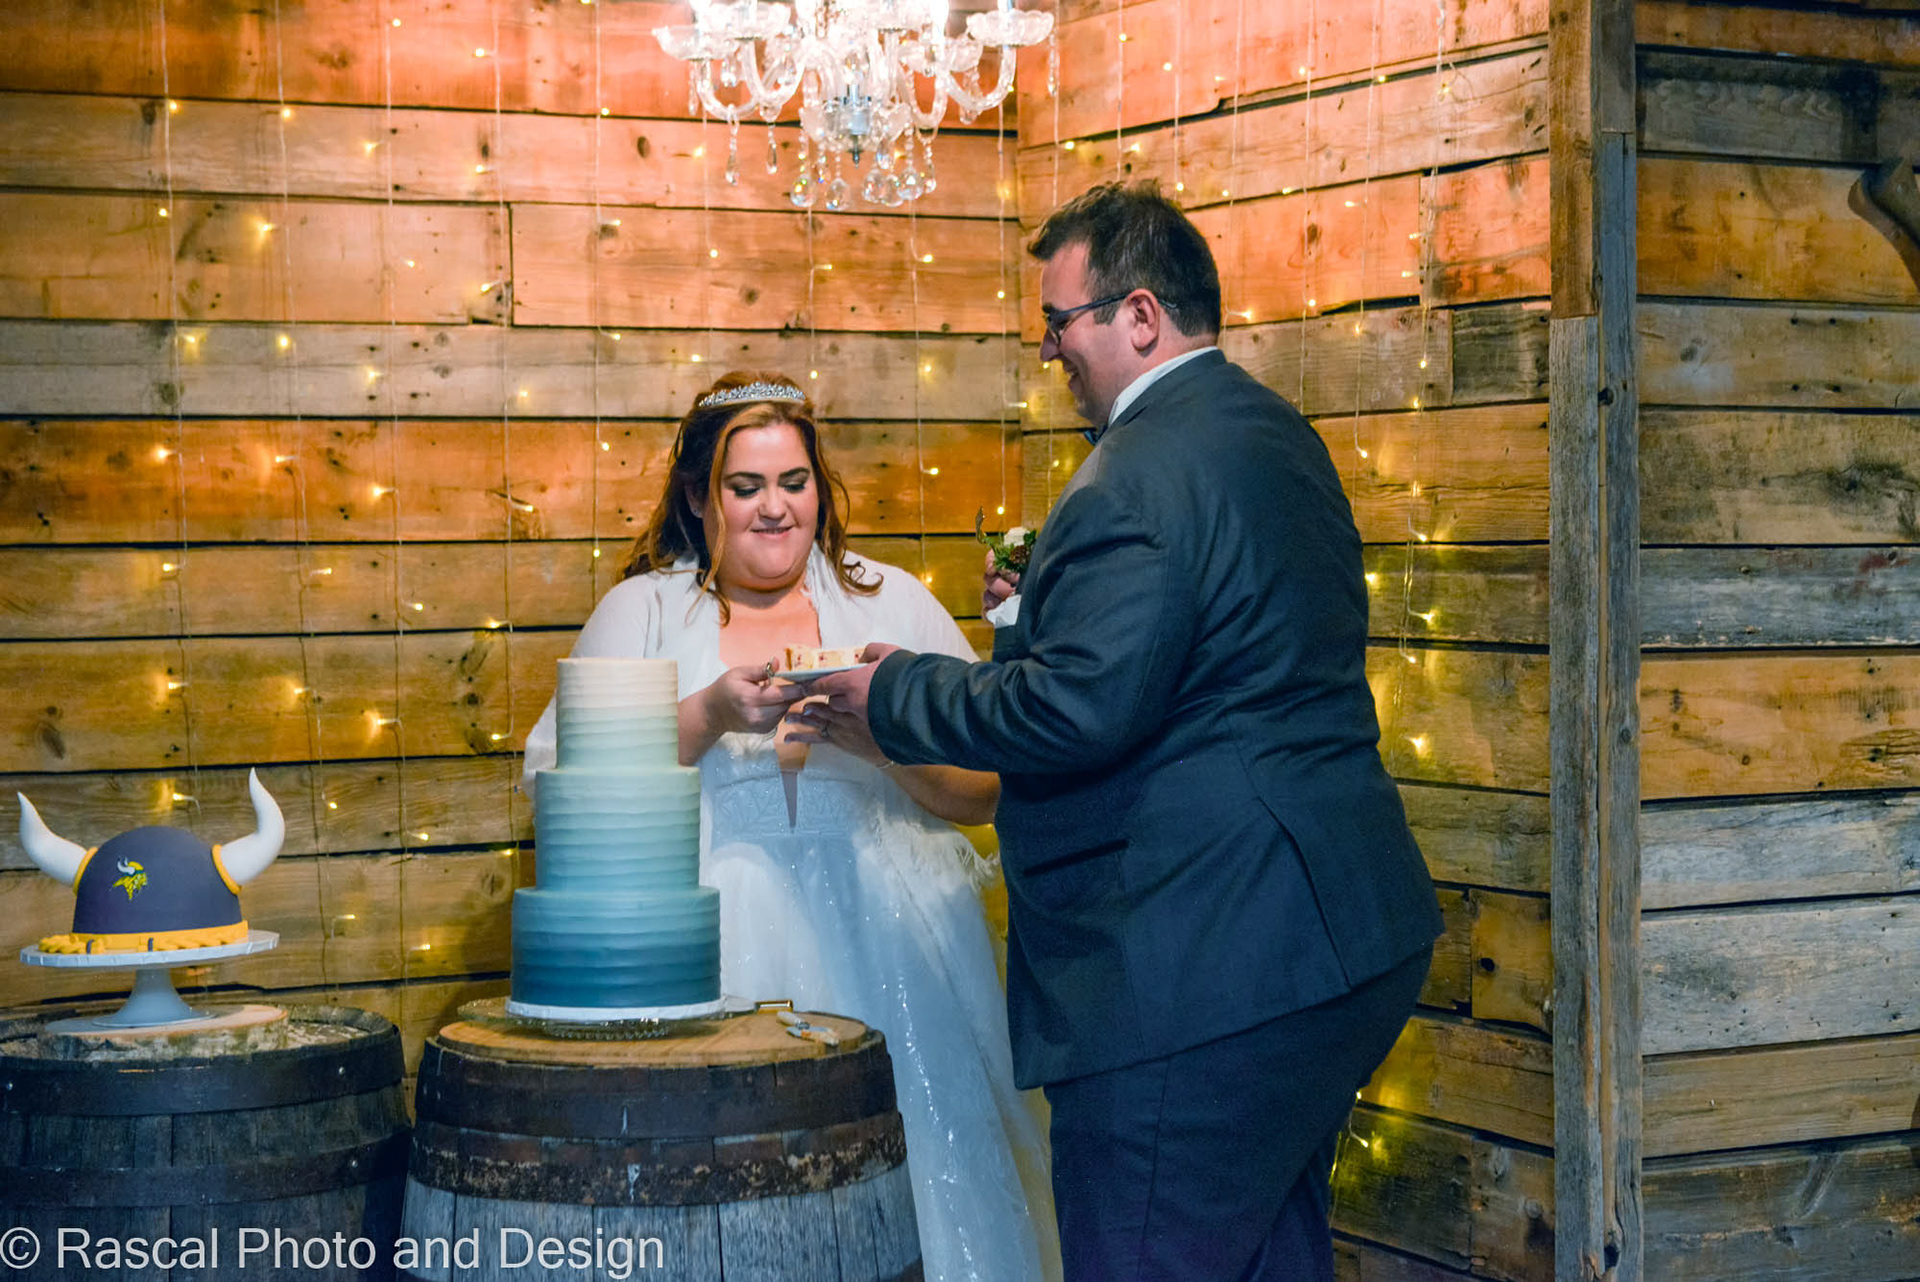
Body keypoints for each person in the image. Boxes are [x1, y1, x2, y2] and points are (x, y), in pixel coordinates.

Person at [807, 182, 1443, 1281]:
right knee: (1264, 1248)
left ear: (1138, 316)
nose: (1048, 350)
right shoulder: (1270, 434)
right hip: (1337, 933)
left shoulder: (1129, 475)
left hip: (1199, 967)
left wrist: (898, 692)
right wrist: (1028, 621)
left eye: (1057, 323)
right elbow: (1216, 659)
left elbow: (1075, 710)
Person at [521, 371, 1058, 1282]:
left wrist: (884, 741)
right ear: (699, 498)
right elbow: (559, 786)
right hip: (719, 937)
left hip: (898, 934)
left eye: (795, 482)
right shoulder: (646, 609)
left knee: (933, 1165)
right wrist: (715, 713)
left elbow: (992, 787)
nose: (776, 508)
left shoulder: (887, 599)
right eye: (746, 487)